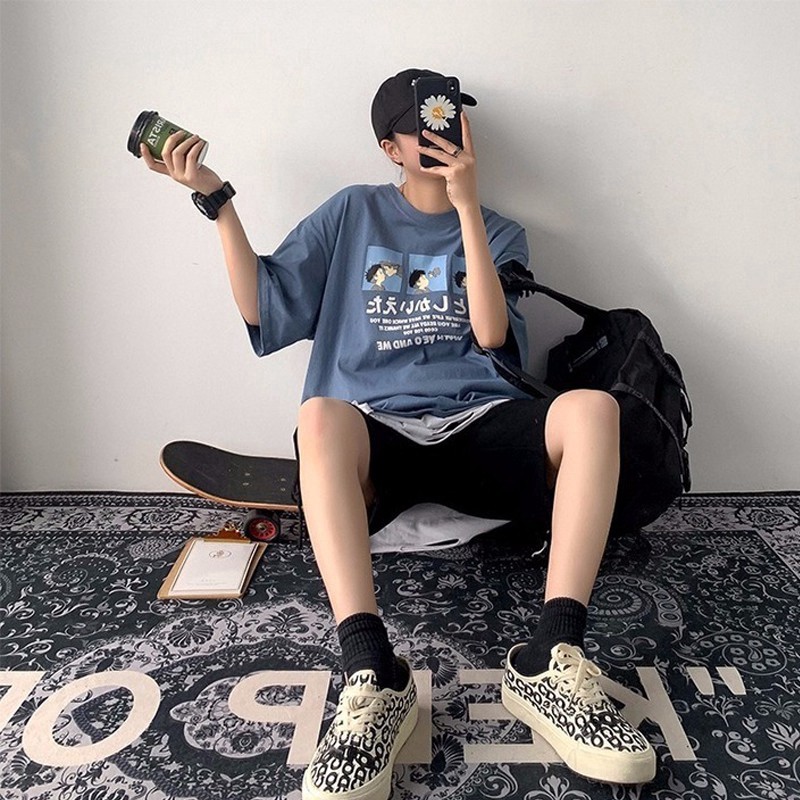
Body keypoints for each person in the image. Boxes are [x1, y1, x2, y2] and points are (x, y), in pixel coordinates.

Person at [140, 68, 656, 798]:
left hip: (477, 426)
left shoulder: (501, 230)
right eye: (424, 129)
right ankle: (372, 672)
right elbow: (264, 305)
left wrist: (467, 208)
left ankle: (553, 659)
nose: (442, 139)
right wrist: (217, 200)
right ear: (391, 147)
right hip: (378, 433)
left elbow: (491, 333)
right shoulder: (352, 212)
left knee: (594, 410)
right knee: (319, 413)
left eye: (451, 122)